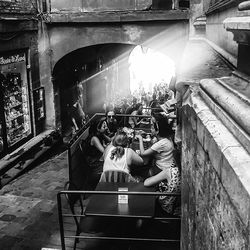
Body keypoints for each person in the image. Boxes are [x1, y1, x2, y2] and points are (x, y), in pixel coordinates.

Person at [135, 115, 181, 214]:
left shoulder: (163, 142)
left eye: (152, 127)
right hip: (165, 165)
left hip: (161, 169)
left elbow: (143, 153)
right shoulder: (166, 138)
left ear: (158, 130)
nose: (151, 129)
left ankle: (141, 201)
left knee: (139, 170)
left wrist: (139, 138)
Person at [85, 118, 112, 189]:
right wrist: (107, 146)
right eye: (104, 126)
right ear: (98, 128)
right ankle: (106, 186)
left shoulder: (100, 133)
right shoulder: (94, 138)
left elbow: (110, 140)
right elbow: (104, 151)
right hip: (93, 160)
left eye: (106, 125)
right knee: (111, 164)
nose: (106, 127)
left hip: (98, 156)